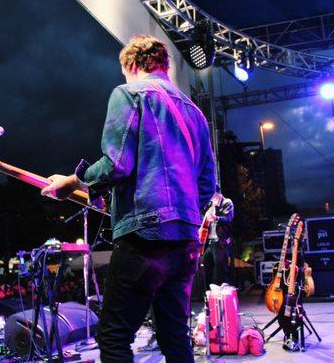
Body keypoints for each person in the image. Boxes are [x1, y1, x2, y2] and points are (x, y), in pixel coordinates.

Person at [41, 35, 216, 363]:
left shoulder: (128, 93)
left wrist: (74, 180)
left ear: (133, 65)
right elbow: (206, 187)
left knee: (114, 336)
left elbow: (117, 163)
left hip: (144, 236)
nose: (123, 78)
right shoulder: (196, 114)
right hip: (186, 238)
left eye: (124, 72)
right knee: (175, 338)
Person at [202, 192, 235, 288]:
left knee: (219, 270)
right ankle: (208, 294)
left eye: (213, 196)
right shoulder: (209, 205)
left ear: (218, 194)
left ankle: (219, 295)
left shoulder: (226, 202)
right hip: (208, 242)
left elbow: (229, 219)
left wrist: (216, 218)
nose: (212, 199)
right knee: (206, 268)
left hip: (220, 242)